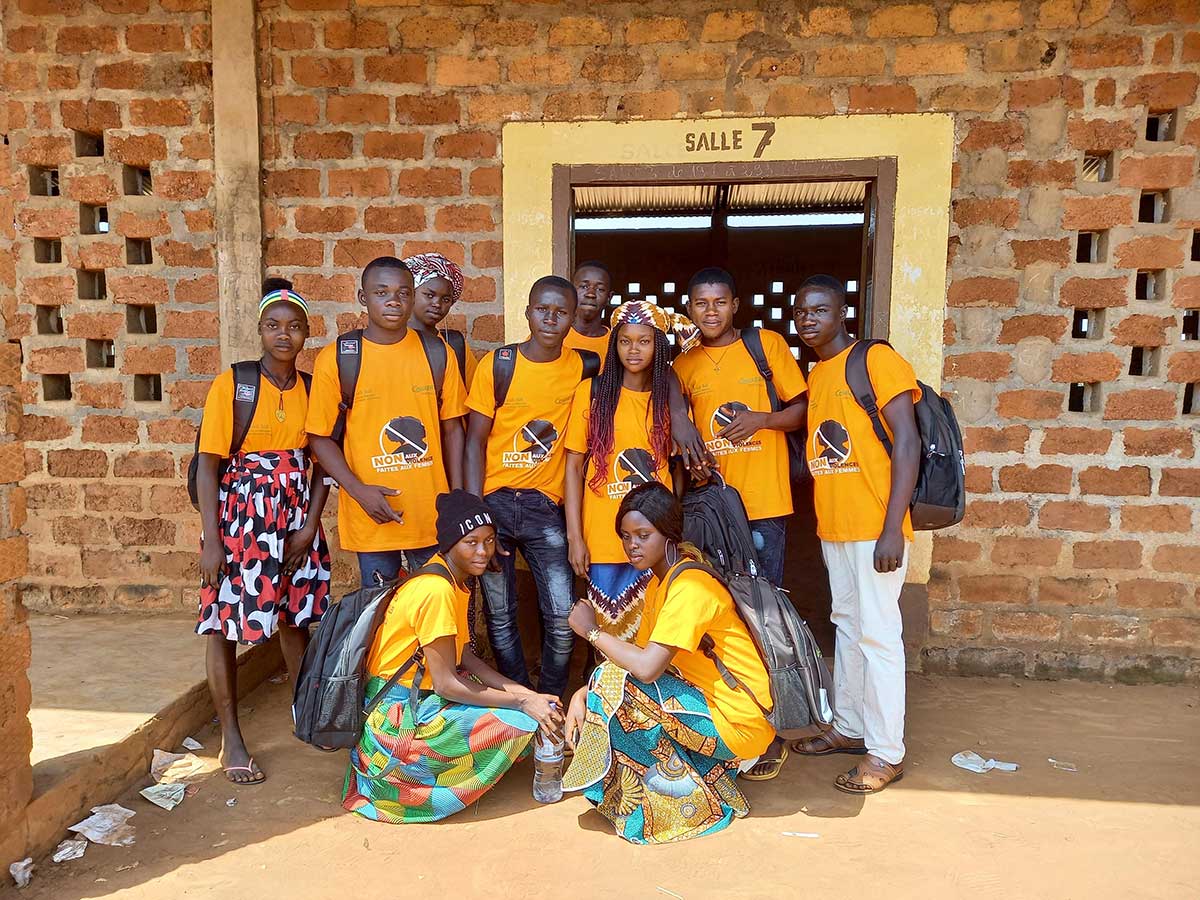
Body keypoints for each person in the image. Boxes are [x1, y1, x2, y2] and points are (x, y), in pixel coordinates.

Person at [562, 483, 773, 844]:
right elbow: (632, 663)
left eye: (644, 535)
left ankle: (670, 807)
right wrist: (582, 692)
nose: (632, 546)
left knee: (617, 694)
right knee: (606, 686)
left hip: (739, 722)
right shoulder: (662, 585)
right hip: (716, 709)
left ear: (669, 534)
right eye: (626, 536)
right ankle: (696, 779)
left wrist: (592, 632)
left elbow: (646, 669)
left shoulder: (690, 587)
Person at [343, 490, 564, 824]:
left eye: (489, 541)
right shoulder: (437, 590)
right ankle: (415, 785)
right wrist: (521, 705)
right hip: (396, 718)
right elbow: (447, 684)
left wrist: (526, 693)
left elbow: (465, 659)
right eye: (471, 542)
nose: (483, 551)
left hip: (412, 697)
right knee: (519, 721)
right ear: (448, 544)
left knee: (525, 704)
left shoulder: (450, 579)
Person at [196, 284, 332, 785]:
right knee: (225, 623)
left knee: (295, 617)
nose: (284, 334)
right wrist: (213, 540)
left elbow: (323, 464)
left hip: (296, 519)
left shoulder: (314, 388)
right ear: (258, 330)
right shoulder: (233, 385)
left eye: (294, 326)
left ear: (306, 334)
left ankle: (304, 713)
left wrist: (310, 526)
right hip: (241, 521)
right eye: (273, 325)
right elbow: (208, 465)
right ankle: (231, 734)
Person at [791, 274, 920, 795]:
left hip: (876, 528)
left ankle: (886, 752)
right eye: (801, 311)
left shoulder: (875, 360)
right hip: (836, 528)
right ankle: (849, 727)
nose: (807, 319)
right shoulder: (819, 374)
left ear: (841, 313)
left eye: (818, 310)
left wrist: (894, 527)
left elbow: (907, 442)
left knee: (879, 636)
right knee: (846, 624)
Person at [306, 256, 467, 587]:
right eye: (382, 292)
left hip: (431, 514)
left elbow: (453, 429)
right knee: (381, 615)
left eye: (403, 292)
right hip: (372, 515)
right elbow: (319, 437)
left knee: (436, 609)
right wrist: (358, 490)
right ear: (364, 298)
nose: (394, 301)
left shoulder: (437, 353)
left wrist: (457, 498)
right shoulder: (339, 358)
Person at [465, 276, 590, 699]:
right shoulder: (499, 365)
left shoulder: (584, 367)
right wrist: (474, 516)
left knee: (559, 614)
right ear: (527, 311)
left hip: (545, 508)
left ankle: (550, 696)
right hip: (495, 507)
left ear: (574, 318)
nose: (551, 319)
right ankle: (521, 698)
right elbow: (474, 442)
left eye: (561, 312)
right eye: (542, 309)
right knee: (499, 614)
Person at [564, 300, 695, 640]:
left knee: (653, 634)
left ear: (658, 345)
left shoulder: (668, 398)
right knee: (605, 636)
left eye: (644, 341)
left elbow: (679, 468)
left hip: (657, 537)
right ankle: (607, 695)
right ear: (614, 344)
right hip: (603, 537)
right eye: (625, 341)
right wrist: (575, 537)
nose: (633, 350)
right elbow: (574, 466)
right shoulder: (592, 393)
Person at [674, 267, 807, 587]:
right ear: (689, 309)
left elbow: (802, 411)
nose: (710, 311)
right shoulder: (682, 364)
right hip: (712, 505)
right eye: (701, 303)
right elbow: (679, 435)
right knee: (719, 597)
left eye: (719, 302)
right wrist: (694, 462)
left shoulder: (766, 344)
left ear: (734, 305)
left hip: (764, 502)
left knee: (764, 599)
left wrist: (761, 420)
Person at [402, 251, 477, 388]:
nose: (437, 303)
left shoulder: (455, 345)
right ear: (410, 294)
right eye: (429, 295)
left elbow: (471, 394)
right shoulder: (391, 341)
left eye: (446, 299)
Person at [566, 260, 614, 363]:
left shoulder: (616, 344)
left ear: (609, 297)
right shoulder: (554, 336)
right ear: (571, 291)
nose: (590, 294)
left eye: (600, 289)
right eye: (584, 287)